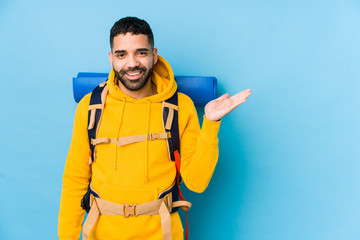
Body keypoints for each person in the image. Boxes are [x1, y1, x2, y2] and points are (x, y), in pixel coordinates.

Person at [58, 16, 252, 240]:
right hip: (101, 233)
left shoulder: (180, 107)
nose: (131, 63)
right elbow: (75, 180)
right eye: (122, 54)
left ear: (154, 55)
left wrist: (210, 123)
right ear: (111, 59)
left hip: (163, 233)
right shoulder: (91, 107)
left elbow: (197, 183)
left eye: (141, 52)